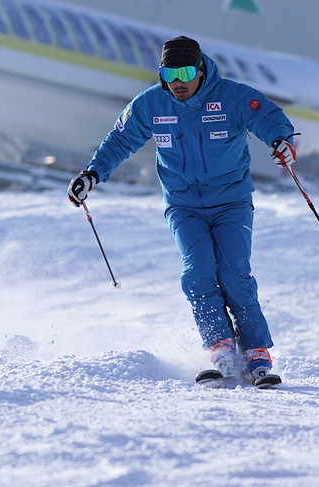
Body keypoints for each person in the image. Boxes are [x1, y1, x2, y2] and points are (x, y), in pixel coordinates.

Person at [68, 36, 298, 381]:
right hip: (183, 204)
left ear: (201, 69)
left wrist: (282, 142)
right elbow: (119, 140)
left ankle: (255, 349)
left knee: (234, 271)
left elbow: (269, 117)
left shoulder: (232, 96)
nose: (178, 82)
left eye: (186, 72)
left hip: (231, 201)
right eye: (169, 73)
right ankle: (220, 344)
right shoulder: (150, 105)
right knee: (198, 271)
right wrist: (92, 173)